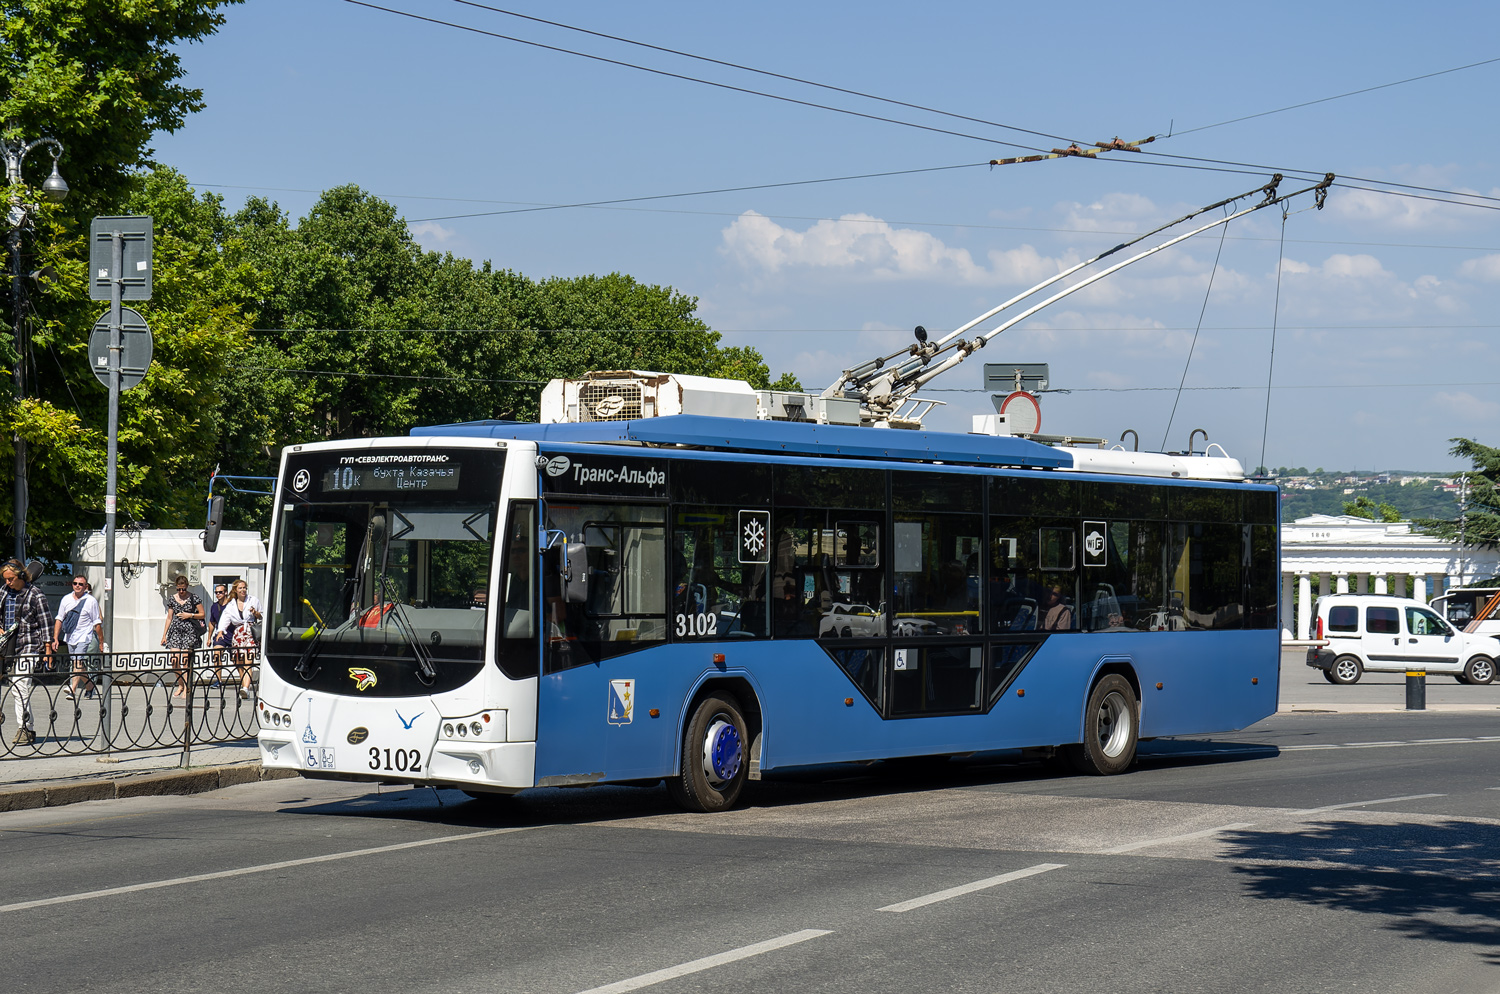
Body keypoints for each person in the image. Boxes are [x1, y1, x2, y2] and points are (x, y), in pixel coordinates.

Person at [2, 559, 51, 745]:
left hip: (28, 645)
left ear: (22, 575)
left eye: (11, 579)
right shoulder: (4, 591)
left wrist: (48, 650)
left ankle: (25, 728)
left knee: (19, 685)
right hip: (6, 645)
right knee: (15, 687)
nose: (8, 582)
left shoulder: (35, 594)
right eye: (5, 579)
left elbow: (46, 623)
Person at [53, 574, 102, 701]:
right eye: (75, 583)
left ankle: (72, 689)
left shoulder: (91, 601)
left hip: (84, 636)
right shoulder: (66, 599)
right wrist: (55, 638)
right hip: (70, 637)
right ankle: (90, 685)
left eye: (80, 584)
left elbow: (97, 622)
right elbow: (59, 618)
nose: (77, 586)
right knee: (78, 664)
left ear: (85, 587)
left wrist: (101, 642)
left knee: (77, 662)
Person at [160, 575, 204, 697]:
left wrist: (190, 615)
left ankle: (186, 687)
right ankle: (180, 684)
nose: (181, 591)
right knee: (174, 660)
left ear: (187, 587)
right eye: (179, 589)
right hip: (175, 631)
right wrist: (164, 635)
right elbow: (169, 617)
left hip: (189, 631)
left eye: (183, 589)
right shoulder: (172, 599)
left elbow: (202, 614)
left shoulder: (194, 598)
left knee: (185, 661)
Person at [218, 578, 262, 700]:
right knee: (239, 662)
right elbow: (225, 619)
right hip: (238, 634)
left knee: (248, 661)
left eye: (244, 588)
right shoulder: (231, 605)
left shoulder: (253, 600)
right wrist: (220, 631)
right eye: (240, 588)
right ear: (236, 590)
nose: (243, 590)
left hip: (250, 632)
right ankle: (244, 686)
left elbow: (262, 615)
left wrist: (255, 613)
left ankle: (246, 688)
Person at [206, 582, 230, 684]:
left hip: (232, 634)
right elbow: (212, 622)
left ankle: (244, 682)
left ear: (226, 592)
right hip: (220, 635)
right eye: (216, 592)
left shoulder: (231, 605)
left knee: (237, 660)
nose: (218, 594)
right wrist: (209, 637)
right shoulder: (214, 607)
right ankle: (218, 680)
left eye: (220, 592)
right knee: (217, 654)